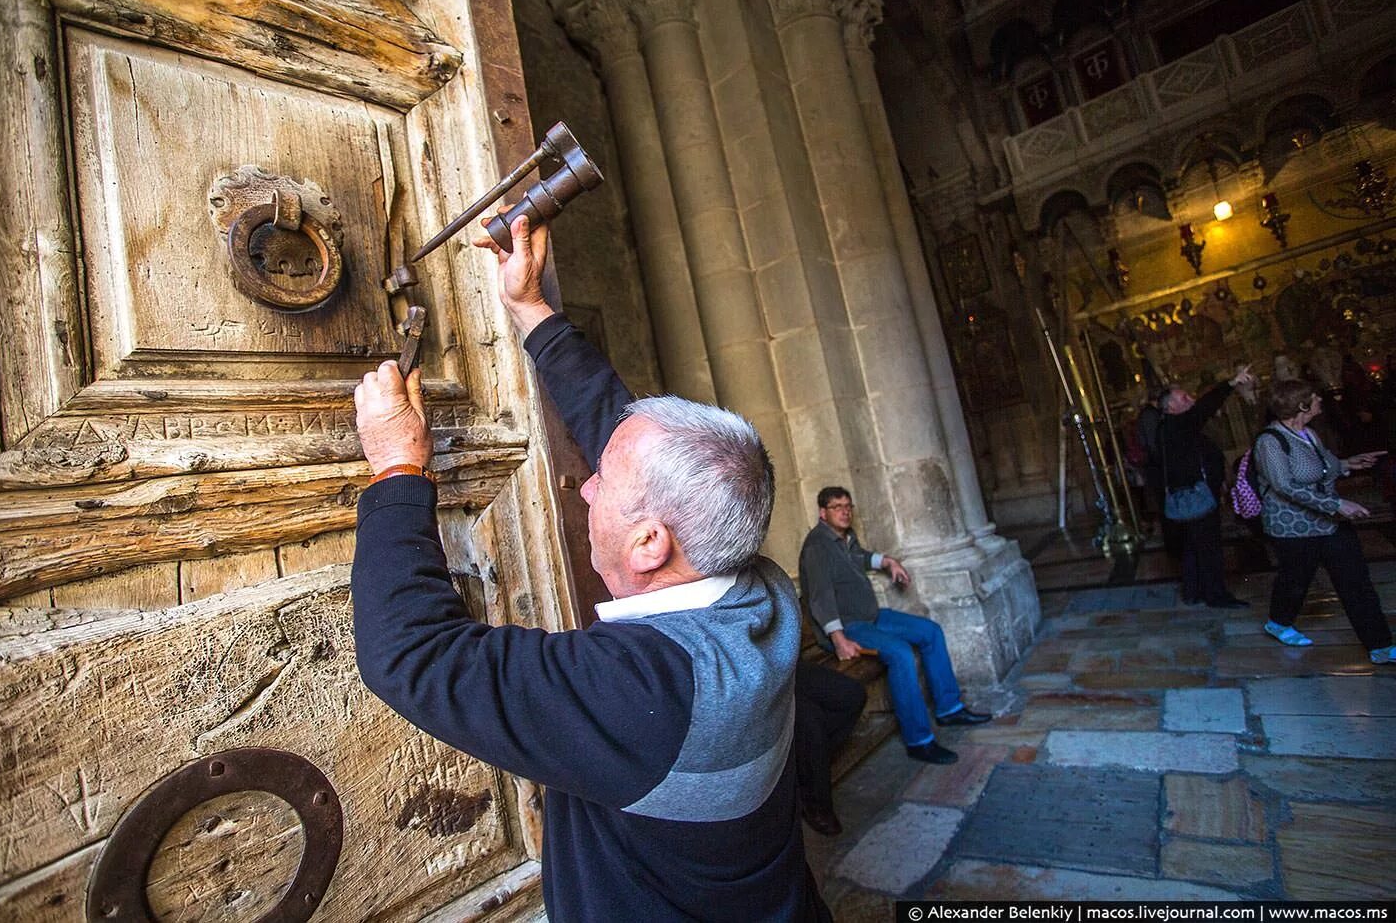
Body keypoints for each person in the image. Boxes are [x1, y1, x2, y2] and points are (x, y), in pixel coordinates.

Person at [351, 214, 830, 921]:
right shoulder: (757, 585)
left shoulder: (646, 692)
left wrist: (396, 464)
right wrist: (530, 307)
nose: (586, 484)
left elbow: (412, 654)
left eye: (602, 479)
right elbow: (626, 431)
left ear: (649, 544)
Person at [798, 486, 991, 766]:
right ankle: (919, 741)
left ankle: (949, 708)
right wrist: (838, 639)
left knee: (930, 631)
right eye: (837, 506)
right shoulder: (817, 546)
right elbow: (819, 597)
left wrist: (888, 561)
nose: (844, 511)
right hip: (847, 628)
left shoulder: (845, 538)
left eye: (848, 506)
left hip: (871, 617)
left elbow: (861, 556)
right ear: (822, 513)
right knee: (900, 653)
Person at [1252, 379, 1394, 664]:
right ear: (1302, 406)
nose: (1320, 401)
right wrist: (1337, 503)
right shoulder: (1270, 442)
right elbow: (1286, 486)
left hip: (1329, 523)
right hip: (1294, 529)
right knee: (1296, 581)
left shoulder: (1309, 433)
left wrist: (1349, 463)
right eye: (1314, 398)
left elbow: (1323, 465)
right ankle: (1278, 623)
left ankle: (1380, 646)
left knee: (1355, 582)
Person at [1157, 365, 1256, 608]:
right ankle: (1216, 595)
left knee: (1194, 545)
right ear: (1171, 407)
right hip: (1195, 495)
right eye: (1184, 398)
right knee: (1209, 547)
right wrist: (1231, 383)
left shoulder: (1174, 427)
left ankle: (1194, 590)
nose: (1190, 399)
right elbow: (1205, 407)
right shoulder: (1176, 425)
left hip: (1194, 492)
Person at [793, 660, 866, 836]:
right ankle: (815, 804)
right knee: (811, 724)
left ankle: (808, 764)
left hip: (783, 665)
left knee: (853, 695)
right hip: (750, 678)